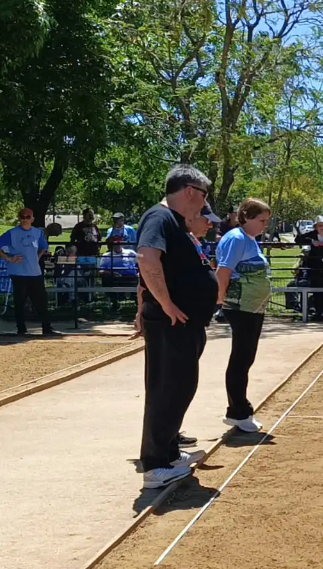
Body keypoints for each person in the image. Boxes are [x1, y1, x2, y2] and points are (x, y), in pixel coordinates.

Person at [135, 164, 219, 489]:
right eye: (203, 196)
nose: (203, 204)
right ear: (189, 191)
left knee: (179, 387)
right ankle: (156, 464)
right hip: (171, 321)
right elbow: (146, 258)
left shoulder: (175, 222)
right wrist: (166, 303)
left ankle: (169, 454)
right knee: (168, 389)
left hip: (184, 323)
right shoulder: (159, 217)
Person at [215, 198, 273, 433]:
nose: (264, 226)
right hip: (241, 307)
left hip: (252, 307)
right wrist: (219, 300)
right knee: (241, 358)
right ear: (247, 217)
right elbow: (223, 271)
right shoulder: (237, 239)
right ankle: (238, 411)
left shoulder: (249, 239)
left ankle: (239, 409)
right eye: (261, 220)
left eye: (267, 221)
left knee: (246, 357)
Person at [0, 208, 54, 336]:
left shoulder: (38, 233)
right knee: (20, 301)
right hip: (18, 272)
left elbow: (43, 247)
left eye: (27, 217)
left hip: (35, 272)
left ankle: (46, 327)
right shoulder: (12, 233)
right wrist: (9, 258)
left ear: (32, 219)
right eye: (22, 217)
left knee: (41, 300)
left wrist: (36, 259)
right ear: (19, 218)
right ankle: (21, 329)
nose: (25, 220)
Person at [99, 238, 139, 310]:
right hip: (114, 278)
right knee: (106, 277)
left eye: (119, 244)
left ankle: (138, 303)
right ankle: (114, 302)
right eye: (115, 245)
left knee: (139, 277)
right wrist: (112, 273)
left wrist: (139, 273)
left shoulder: (131, 253)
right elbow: (101, 270)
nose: (117, 246)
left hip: (131, 277)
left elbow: (140, 264)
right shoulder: (107, 256)